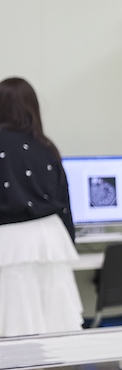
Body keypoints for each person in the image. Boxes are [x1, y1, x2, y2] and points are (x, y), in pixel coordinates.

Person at [0, 77, 82, 337]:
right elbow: (65, 204)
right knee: (56, 329)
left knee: (15, 330)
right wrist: (69, 244)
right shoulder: (46, 146)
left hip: (10, 247)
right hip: (51, 243)